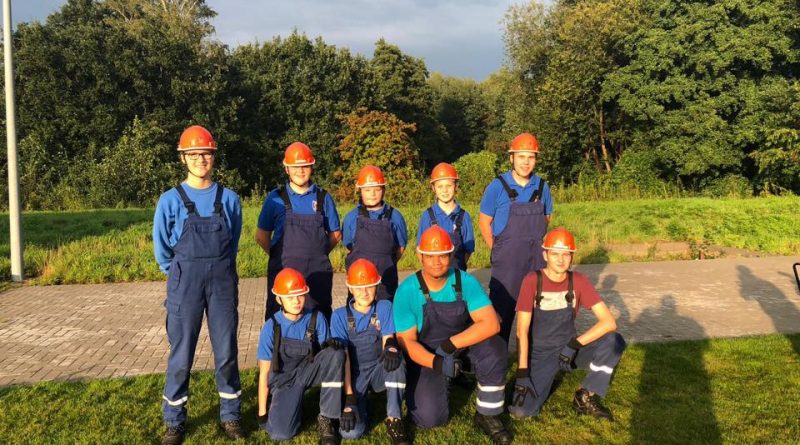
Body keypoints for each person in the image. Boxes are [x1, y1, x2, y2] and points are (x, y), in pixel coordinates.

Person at [153, 125, 243, 444]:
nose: (200, 159)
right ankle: (174, 421)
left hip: (222, 282)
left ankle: (231, 416)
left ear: (213, 156)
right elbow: (162, 248)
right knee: (181, 355)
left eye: (205, 153)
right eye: (193, 154)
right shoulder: (169, 200)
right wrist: (179, 272)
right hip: (185, 282)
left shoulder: (229, 199)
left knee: (227, 351)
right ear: (183, 158)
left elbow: (233, 242)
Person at [393, 226, 512, 445]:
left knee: (495, 348)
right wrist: (437, 362)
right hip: (428, 355)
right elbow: (407, 342)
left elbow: (491, 323)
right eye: (430, 256)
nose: (437, 262)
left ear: (451, 254)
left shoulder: (465, 281)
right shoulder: (406, 291)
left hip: (462, 345)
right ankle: (441, 380)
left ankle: (487, 414)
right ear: (420, 256)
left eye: (443, 255)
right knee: (430, 419)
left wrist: (450, 344)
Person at [509, 227, 626, 420]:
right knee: (521, 413)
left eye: (566, 254)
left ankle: (585, 395)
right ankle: (537, 381)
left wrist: (574, 345)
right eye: (555, 254)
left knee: (614, 341)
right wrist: (522, 372)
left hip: (569, 349)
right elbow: (521, 331)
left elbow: (608, 322)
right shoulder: (532, 281)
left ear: (572, 257)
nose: (561, 260)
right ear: (545, 255)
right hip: (541, 354)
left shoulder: (578, 281)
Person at [256, 268, 346, 444]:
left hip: (308, 372)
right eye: (290, 297)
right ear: (279, 299)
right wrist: (262, 412)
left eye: (300, 295)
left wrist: (332, 346)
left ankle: (327, 418)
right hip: (284, 381)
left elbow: (328, 358)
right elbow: (264, 373)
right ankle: (290, 406)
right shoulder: (271, 327)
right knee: (281, 434)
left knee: (336, 354)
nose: (296, 301)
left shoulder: (317, 318)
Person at [479, 132, 553, 343]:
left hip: (535, 264)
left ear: (536, 159)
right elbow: (484, 222)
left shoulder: (542, 187)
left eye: (530, 157)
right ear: (512, 157)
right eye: (521, 157)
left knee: (535, 322)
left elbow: (546, 219)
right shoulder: (497, 186)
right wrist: (498, 250)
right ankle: (496, 362)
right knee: (500, 321)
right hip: (507, 267)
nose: (525, 162)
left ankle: (531, 362)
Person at [256, 142, 341, 321]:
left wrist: (317, 254)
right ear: (287, 169)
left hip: (318, 274)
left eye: (305, 166)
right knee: (280, 322)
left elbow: (335, 235)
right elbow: (261, 236)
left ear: (312, 167)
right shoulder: (275, 198)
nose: (300, 171)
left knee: (320, 320)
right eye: (295, 167)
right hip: (283, 272)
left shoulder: (323, 197)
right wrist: (278, 256)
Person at [330, 259, 409, 444]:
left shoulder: (384, 307)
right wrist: (349, 397)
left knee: (396, 359)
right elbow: (344, 359)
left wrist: (391, 347)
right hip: (354, 375)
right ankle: (362, 408)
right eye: (359, 288)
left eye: (369, 286)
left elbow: (388, 340)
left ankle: (394, 419)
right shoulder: (339, 316)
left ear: (377, 286)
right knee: (350, 432)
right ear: (350, 288)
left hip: (378, 369)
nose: (364, 292)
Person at [342, 165, 407, 301]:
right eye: (367, 190)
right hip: (359, 284)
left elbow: (401, 247)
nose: (372, 194)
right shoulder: (352, 217)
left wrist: (386, 262)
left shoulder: (395, 216)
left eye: (377, 189)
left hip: (386, 283)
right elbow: (349, 245)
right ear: (359, 190)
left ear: (383, 189)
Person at [416, 162, 475, 271]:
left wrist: (456, 270)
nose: (444, 190)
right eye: (440, 186)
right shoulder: (427, 216)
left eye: (449, 186)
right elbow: (420, 249)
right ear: (433, 188)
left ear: (456, 186)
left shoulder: (464, 216)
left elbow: (468, 251)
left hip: (457, 274)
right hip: (434, 275)